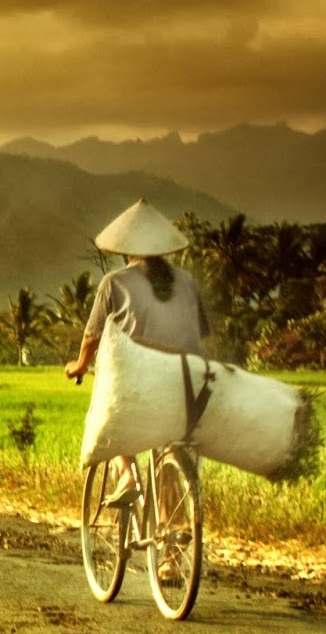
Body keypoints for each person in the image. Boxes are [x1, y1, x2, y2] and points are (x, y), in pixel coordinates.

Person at [64, 199, 210, 506]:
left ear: (125, 249)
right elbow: (201, 337)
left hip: (142, 387)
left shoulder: (114, 282)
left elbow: (92, 338)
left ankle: (127, 473)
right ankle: (174, 533)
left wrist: (78, 366)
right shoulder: (187, 282)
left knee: (109, 412)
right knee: (171, 449)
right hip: (187, 386)